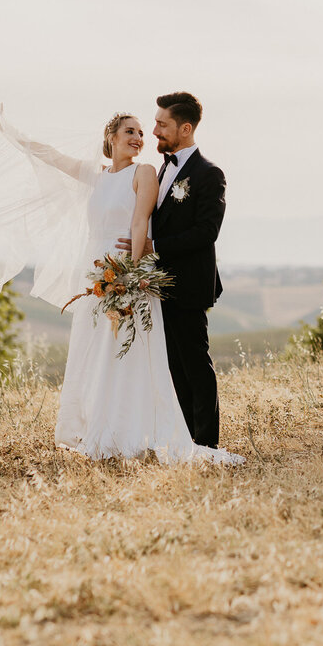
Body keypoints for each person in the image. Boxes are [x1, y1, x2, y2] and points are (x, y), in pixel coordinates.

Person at [0, 104, 241, 465]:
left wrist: (130, 276)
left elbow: (139, 226)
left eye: (143, 132)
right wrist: (8, 129)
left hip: (125, 276)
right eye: (130, 131)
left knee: (132, 356)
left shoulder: (145, 172)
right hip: (95, 278)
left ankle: (138, 432)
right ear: (110, 138)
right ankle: (100, 429)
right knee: (95, 353)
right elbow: (50, 156)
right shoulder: (98, 177)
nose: (140, 137)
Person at [115, 92, 225, 449]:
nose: (155, 130)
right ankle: (185, 440)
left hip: (189, 283)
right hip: (159, 284)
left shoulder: (208, 174)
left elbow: (207, 232)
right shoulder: (163, 169)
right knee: (174, 367)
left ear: (186, 128)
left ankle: (206, 443)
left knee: (195, 364)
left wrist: (154, 248)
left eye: (162, 125)